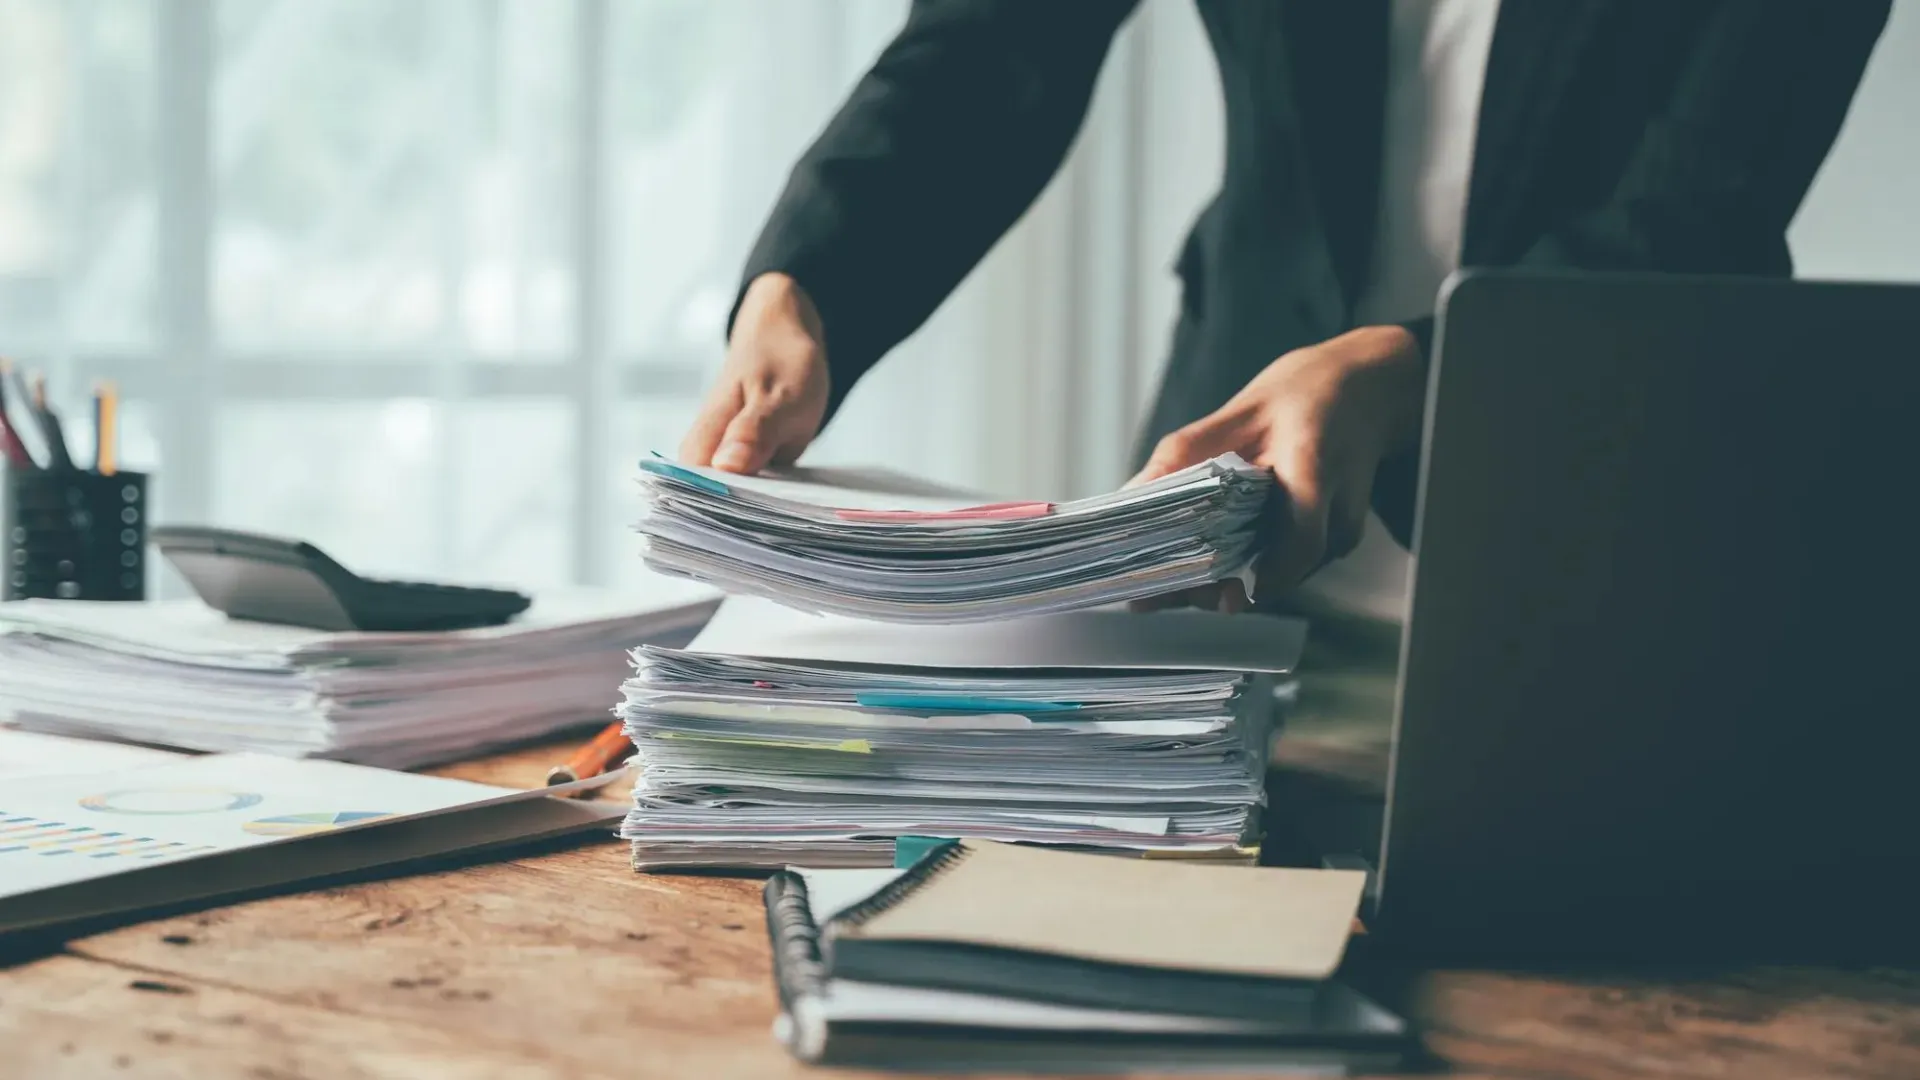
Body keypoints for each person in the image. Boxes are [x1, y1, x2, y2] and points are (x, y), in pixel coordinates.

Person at [679, 0, 1887, 612]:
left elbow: (1701, 214)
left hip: (1600, 521)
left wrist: (1422, 373)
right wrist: (808, 279)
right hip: (1218, 508)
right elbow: (993, 48)